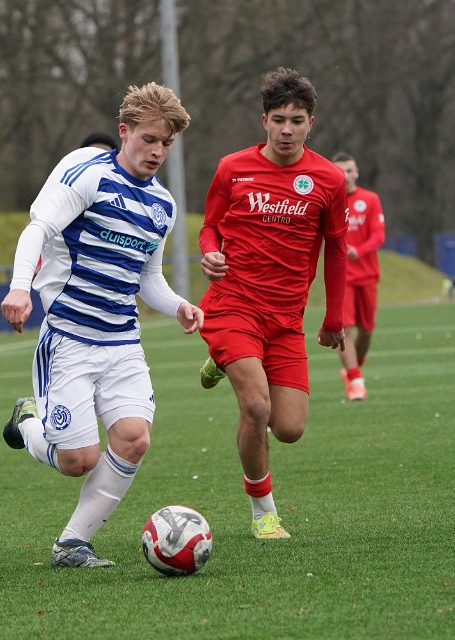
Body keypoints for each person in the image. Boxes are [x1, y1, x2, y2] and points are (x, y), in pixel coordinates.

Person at [0, 82, 203, 568]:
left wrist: (178, 305)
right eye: (149, 139)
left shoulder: (162, 205)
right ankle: (28, 420)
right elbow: (38, 230)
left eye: (166, 143)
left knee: (134, 438)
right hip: (70, 338)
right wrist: (19, 287)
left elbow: (147, 277)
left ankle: (73, 543)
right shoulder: (88, 175)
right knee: (78, 461)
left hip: (122, 342)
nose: (157, 151)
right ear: (124, 132)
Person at [196, 67, 348, 540]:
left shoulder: (328, 179)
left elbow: (337, 250)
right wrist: (209, 253)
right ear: (264, 120)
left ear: (310, 124)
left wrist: (334, 318)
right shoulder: (232, 168)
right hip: (232, 304)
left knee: (289, 429)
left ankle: (221, 364)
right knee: (257, 408)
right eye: (278, 119)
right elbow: (209, 226)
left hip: (285, 319)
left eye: (296, 121)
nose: (286, 129)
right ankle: (264, 512)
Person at [332, 152, 385, 401]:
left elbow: (378, 235)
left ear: (357, 172)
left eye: (349, 170)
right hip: (341, 277)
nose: (345, 175)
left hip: (368, 275)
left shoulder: (370, 199)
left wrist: (359, 251)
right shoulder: (330, 201)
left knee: (367, 330)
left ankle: (353, 370)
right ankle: (356, 381)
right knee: (343, 329)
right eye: (340, 171)